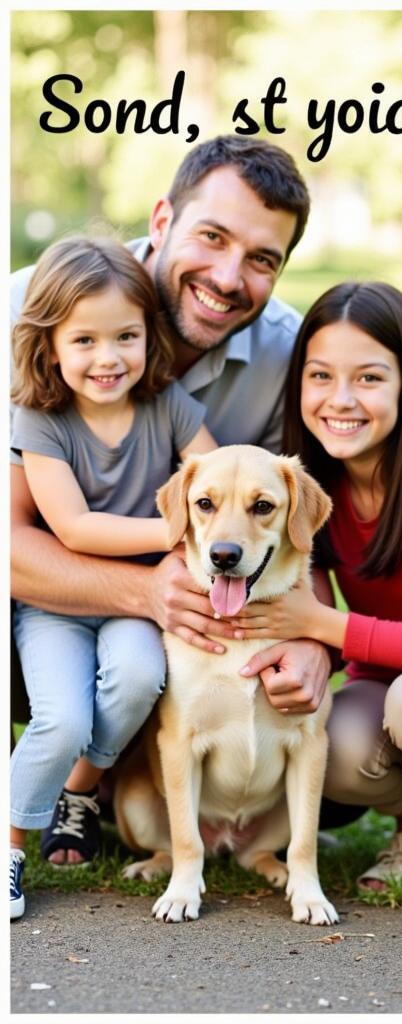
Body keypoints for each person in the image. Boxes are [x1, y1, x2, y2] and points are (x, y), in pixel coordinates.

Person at [9, 137, 363, 869]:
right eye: (212, 236)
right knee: (87, 681)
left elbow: (292, 521)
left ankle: (104, 787)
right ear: (162, 216)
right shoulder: (28, 311)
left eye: (262, 259)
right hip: (38, 595)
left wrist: (312, 640)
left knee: (154, 668)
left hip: (194, 613)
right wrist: (145, 590)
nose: (230, 277)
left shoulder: (285, 357)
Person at [229, 282, 402, 916]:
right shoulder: (307, 483)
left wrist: (320, 624)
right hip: (394, 693)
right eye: (320, 376)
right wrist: (306, 645)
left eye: (370, 378)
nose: (342, 400)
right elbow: (307, 611)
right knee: (323, 734)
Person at [9, 235, 217, 918]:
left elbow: (213, 473)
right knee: (61, 716)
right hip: (59, 602)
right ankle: (10, 846)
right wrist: (182, 531)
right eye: (85, 341)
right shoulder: (41, 418)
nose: (108, 358)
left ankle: (79, 790)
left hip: (137, 603)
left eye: (125, 336)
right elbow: (71, 528)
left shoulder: (168, 405)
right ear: (50, 346)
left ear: (148, 336)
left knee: (136, 681)